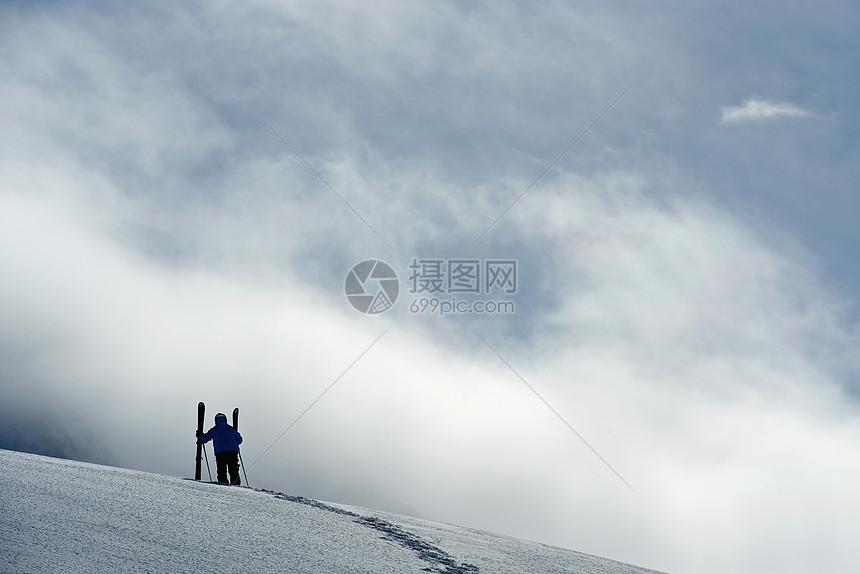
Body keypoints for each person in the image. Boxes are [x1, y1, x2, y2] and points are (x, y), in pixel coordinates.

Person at [197, 413, 243, 485]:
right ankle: (236, 484)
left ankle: (223, 484)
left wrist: (199, 435)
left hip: (220, 453)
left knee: (221, 470)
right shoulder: (232, 429)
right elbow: (239, 440)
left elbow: (204, 439)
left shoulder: (214, 430)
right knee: (233, 469)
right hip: (232, 452)